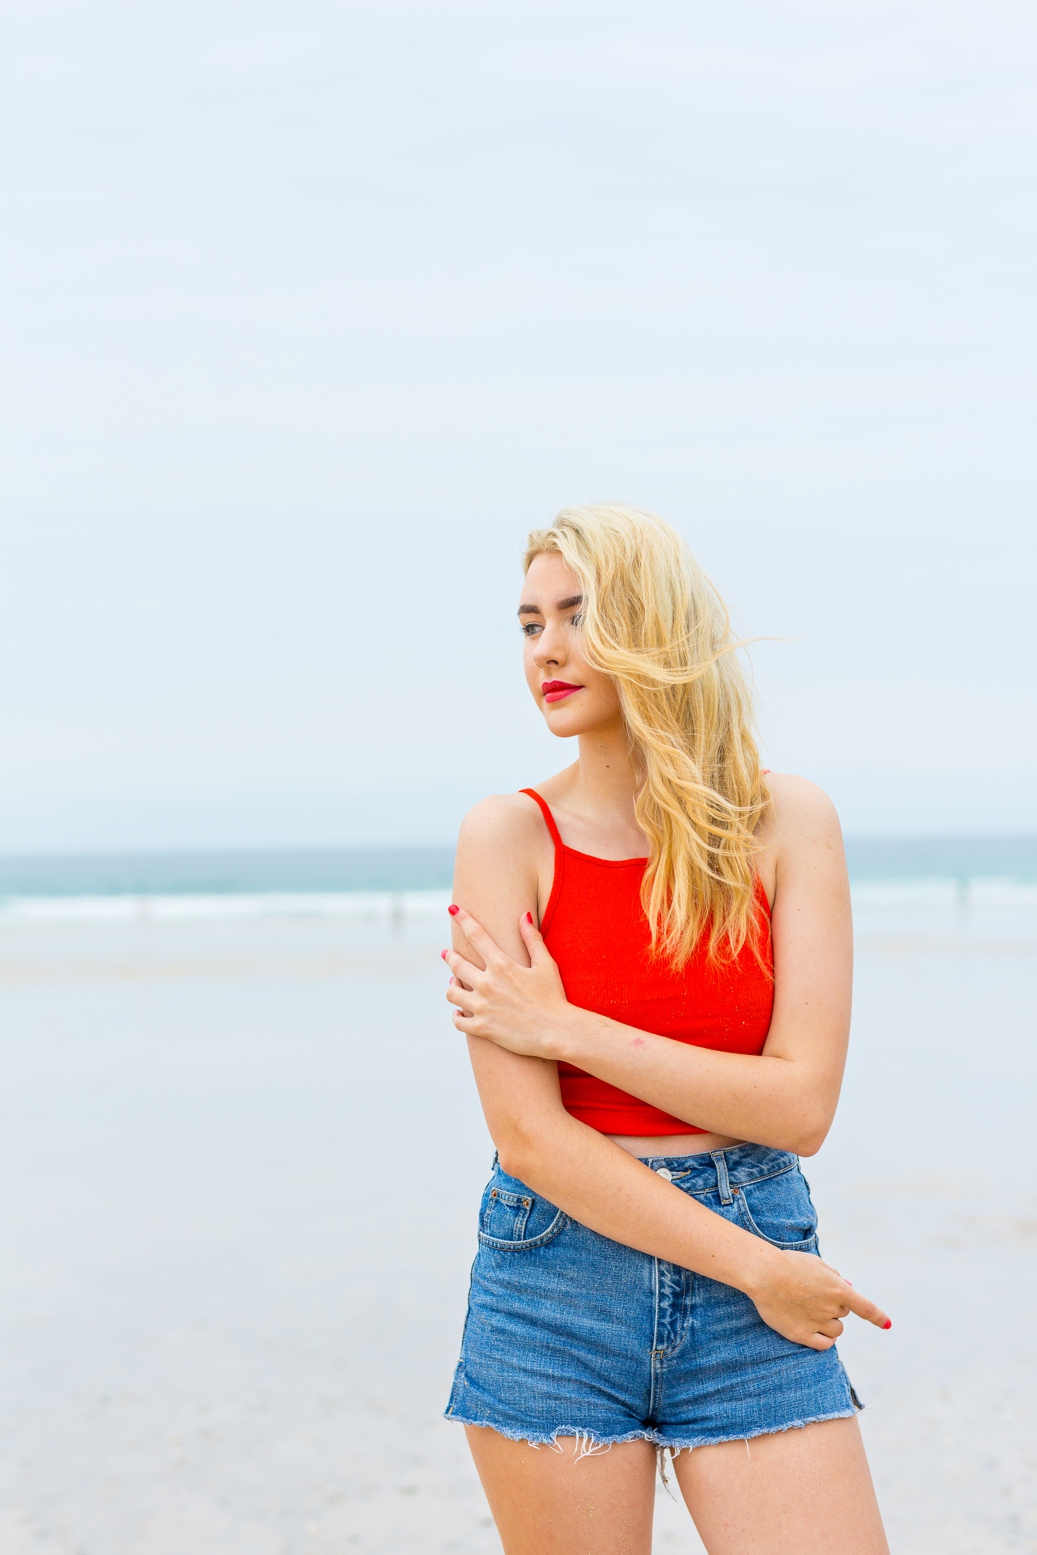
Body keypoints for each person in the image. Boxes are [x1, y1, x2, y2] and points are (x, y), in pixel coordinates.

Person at [441, 506, 890, 1555]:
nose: (544, 649)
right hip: (554, 1284)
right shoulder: (505, 837)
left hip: (757, 1269)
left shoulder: (786, 822)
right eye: (526, 624)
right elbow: (530, 1137)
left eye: (576, 615)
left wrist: (567, 1029)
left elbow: (800, 1103)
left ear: (653, 626)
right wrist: (754, 1265)